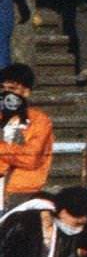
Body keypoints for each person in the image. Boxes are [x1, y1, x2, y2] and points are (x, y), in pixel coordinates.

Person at [0, 65, 53, 204]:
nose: (6, 93)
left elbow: (31, 158)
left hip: (23, 192)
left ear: (26, 92)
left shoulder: (40, 121)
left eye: (12, 89)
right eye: (3, 88)